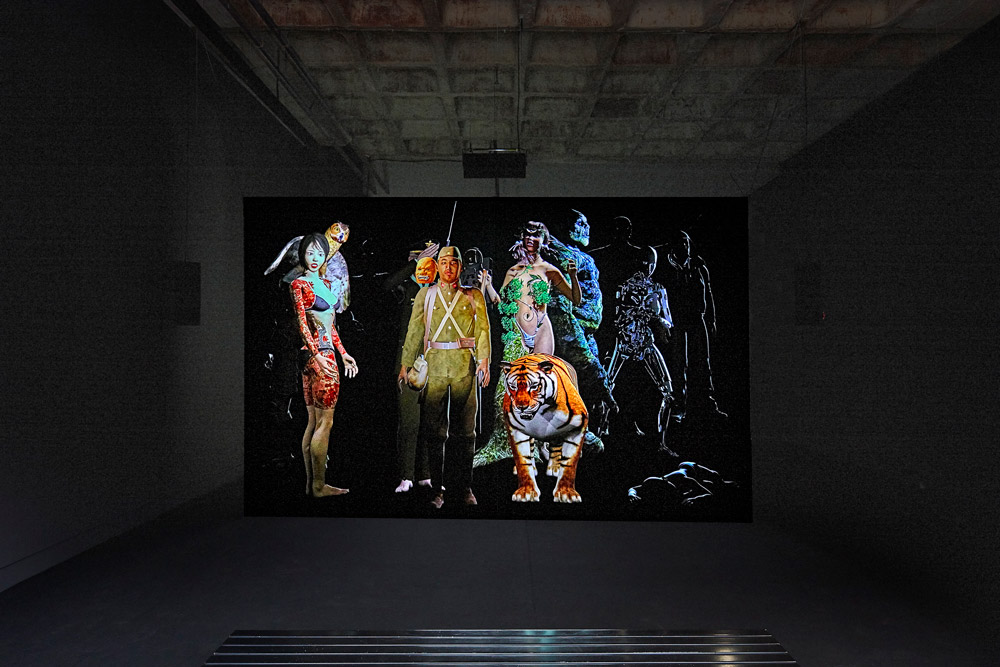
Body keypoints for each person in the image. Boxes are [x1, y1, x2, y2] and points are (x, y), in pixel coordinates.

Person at [474, 221, 581, 467]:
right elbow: (501, 304)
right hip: (516, 333)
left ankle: (541, 444)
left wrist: (573, 276)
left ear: (544, 240)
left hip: (542, 329)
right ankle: (512, 443)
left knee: (539, 389)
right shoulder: (513, 271)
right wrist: (487, 285)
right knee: (507, 391)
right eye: (527, 235)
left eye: (536, 235)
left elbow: (575, 299)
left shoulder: (549, 269)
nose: (531, 239)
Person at [399, 246, 491, 509]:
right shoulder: (425, 294)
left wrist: (484, 360)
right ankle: (437, 489)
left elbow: (483, 329)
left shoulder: (473, 295)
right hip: (435, 367)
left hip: (464, 367)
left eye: (454, 262)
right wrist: (406, 363)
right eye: (444, 262)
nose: (449, 267)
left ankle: (465, 487)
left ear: (460, 267)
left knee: (467, 433)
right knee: (435, 432)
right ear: (437, 266)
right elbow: (414, 329)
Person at [289, 233, 359, 497]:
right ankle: (319, 485)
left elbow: (330, 326)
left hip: (320, 355)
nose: (315, 258)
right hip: (317, 358)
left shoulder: (326, 283)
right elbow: (302, 324)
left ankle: (312, 485)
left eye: (320, 253)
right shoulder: (299, 284)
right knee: (324, 423)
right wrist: (319, 355)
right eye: (310, 252)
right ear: (302, 255)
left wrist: (344, 353)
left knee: (313, 422)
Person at [542, 209, 617, 452]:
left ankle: (583, 432)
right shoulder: (561, 255)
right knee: (572, 381)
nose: (587, 228)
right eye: (581, 223)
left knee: (586, 387)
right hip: (572, 330)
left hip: (587, 331)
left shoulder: (579, 256)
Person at [381, 240, 439, 494]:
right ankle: (406, 475)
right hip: (407, 363)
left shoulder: (439, 288)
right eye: (418, 258)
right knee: (408, 423)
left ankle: (425, 475)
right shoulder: (405, 287)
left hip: (434, 363)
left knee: (429, 422)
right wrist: (415, 263)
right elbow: (387, 285)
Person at [657, 230, 726, 421]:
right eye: (680, 243)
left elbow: (708, 294)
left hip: (697, 319)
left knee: (703, 362)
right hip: (677, 321)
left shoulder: (698, 266)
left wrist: (711, 319)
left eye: (686, 243)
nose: (684, 247)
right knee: (679, 364)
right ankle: (679, 406)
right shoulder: (666, 267)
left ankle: (707, 404)